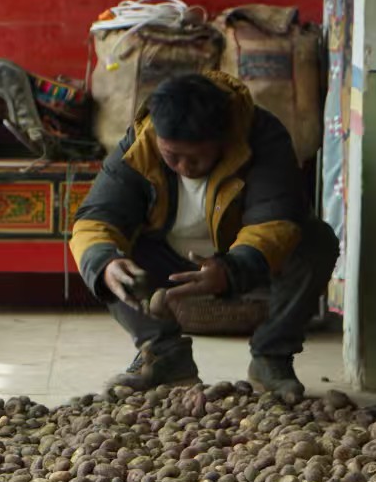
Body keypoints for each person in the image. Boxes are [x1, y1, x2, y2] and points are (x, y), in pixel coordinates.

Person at [69, 71, 339, 401]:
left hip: (245, 259)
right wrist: (106, 261)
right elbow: (96, 218)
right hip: (166, 256)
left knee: (315, 242)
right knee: (101, 255)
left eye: (195, 157)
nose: (184, 166)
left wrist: (230, 269)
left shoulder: (263, 135)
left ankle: (271, 359)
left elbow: (275, 222)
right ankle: (165, 356)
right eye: (172, 156)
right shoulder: (140, 143)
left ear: (223, 137)